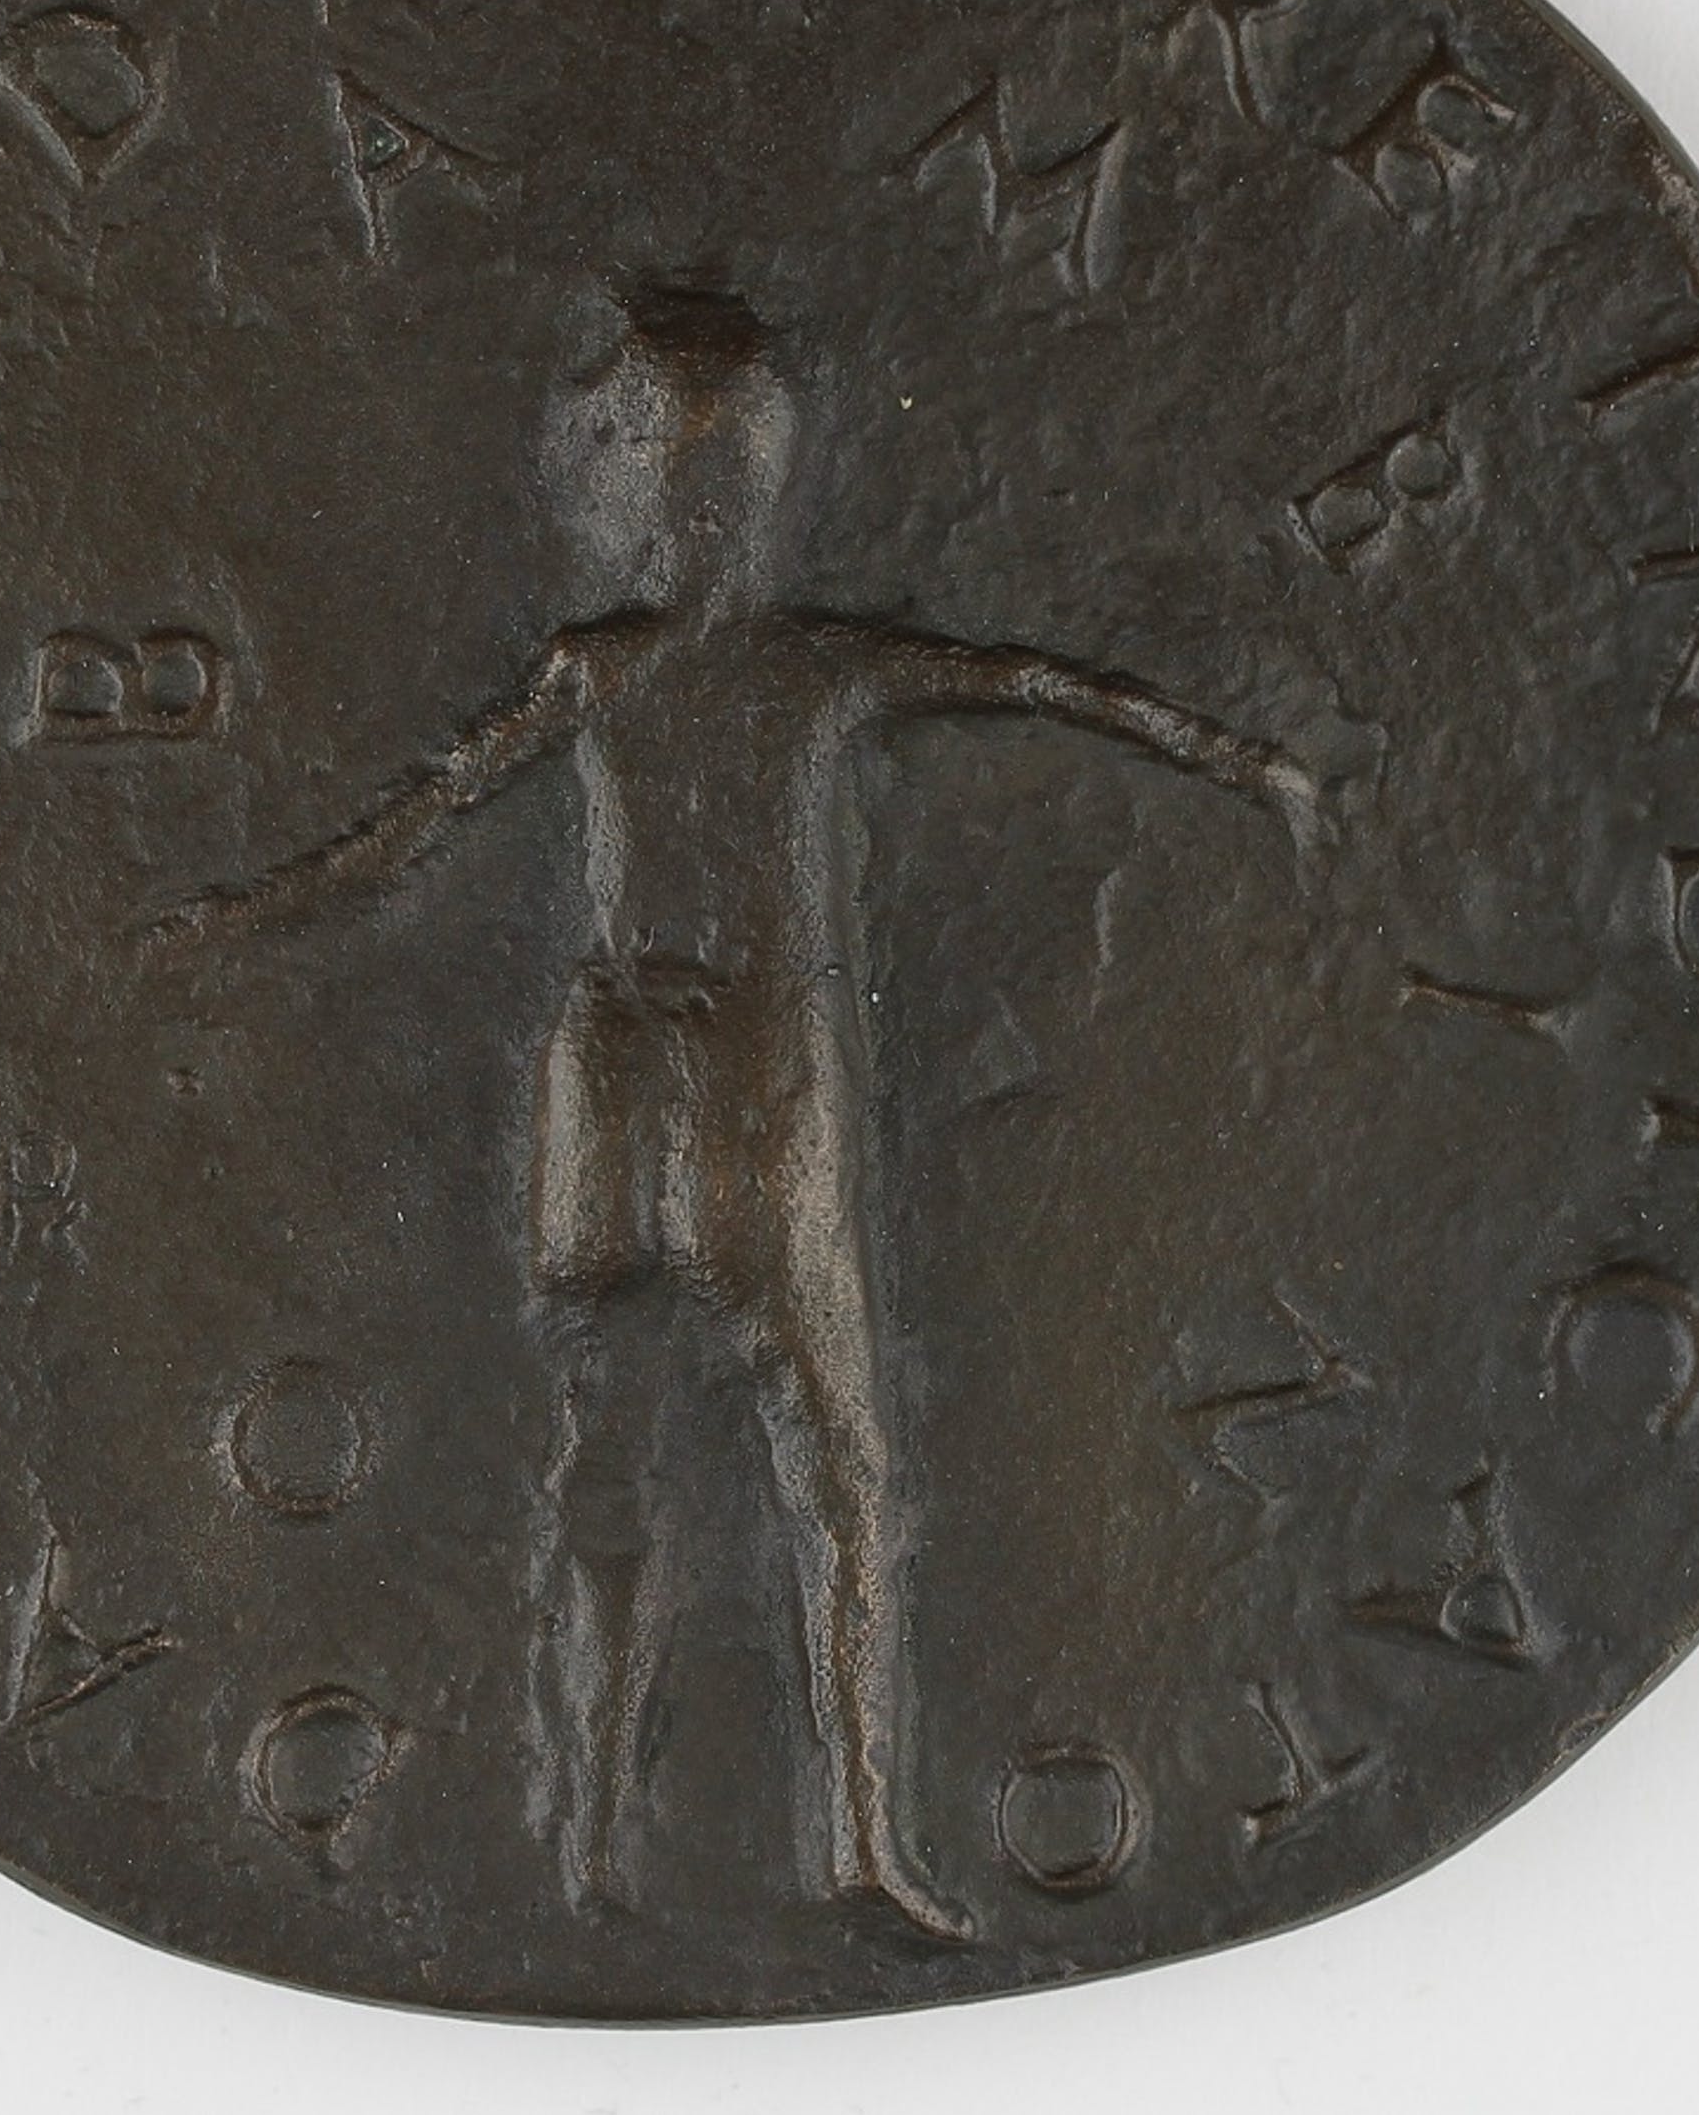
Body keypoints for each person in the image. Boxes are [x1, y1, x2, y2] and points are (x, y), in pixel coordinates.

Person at [148, 283, 1320, 1940]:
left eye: (708, 478)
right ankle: (701, 1840)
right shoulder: (690, 668)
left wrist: (1222, 749)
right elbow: (422, 823)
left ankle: (720, 1842)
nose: (699, 511)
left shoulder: (714, 669)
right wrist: (249, 916)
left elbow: (1027, 682)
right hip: (696, 1066)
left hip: (672, 1064)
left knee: (716, 1455)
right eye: (684, 478)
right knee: (764, 1458)